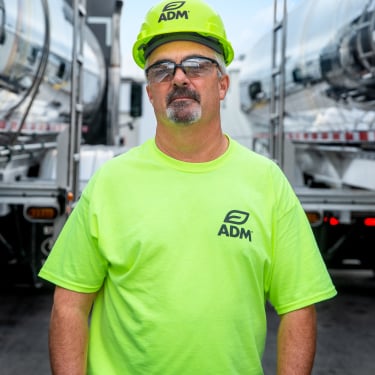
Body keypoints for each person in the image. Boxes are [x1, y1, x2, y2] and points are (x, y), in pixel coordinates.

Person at [39, 0, 337, 374]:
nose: (179, 78)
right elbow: (69, 304)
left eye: (196, 65)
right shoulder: (110, 184)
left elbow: (298, 308)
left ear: (223, 84)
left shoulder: (267, 183)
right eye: (162, 70)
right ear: (150, 92)